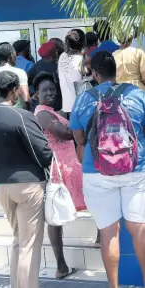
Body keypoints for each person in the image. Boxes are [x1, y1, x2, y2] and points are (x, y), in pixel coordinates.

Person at [71, 51, 145, 288]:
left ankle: (113, 286)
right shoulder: (137, 95)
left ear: (94, 73)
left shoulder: (83, 99)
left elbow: (79, 139)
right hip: (135, 169)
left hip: (97, 172)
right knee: (139, 228)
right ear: (117, 71)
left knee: (109, 232)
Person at [0, 71, 53, 288]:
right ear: (13, 91)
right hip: (28, 185)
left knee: (18, 241)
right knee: (29, 245)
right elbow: (45, 153)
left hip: (2, 184)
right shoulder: (22, 116)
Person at [34, 72, 86, 279]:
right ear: (36, 94)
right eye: (45, 90)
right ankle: (61, 265)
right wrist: (79, 123)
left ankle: (101, 237)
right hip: (60, 167)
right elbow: (65, 134)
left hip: (71, 164)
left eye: (53, 90)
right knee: (55, 218)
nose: (50, 93)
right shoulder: (42, 113)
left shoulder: (52, 111)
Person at [0, 42, 30, 111]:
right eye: (15, 55)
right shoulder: (20, 73)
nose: (16, 58)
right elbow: (26, 100)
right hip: (17, 115)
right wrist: (27, 115)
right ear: (11, 55)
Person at [58, 29, 86, 117]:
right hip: (81, 106)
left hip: (67, 106)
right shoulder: (83, 59)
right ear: (83, 42)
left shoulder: (62, 57)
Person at [28, 41, 62, 111]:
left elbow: (26, 80)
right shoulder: (57, 67)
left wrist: (34, 92)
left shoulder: (37, 65)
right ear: (53, 53)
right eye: (56, 51)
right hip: (56, 103)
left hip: (41, 102)